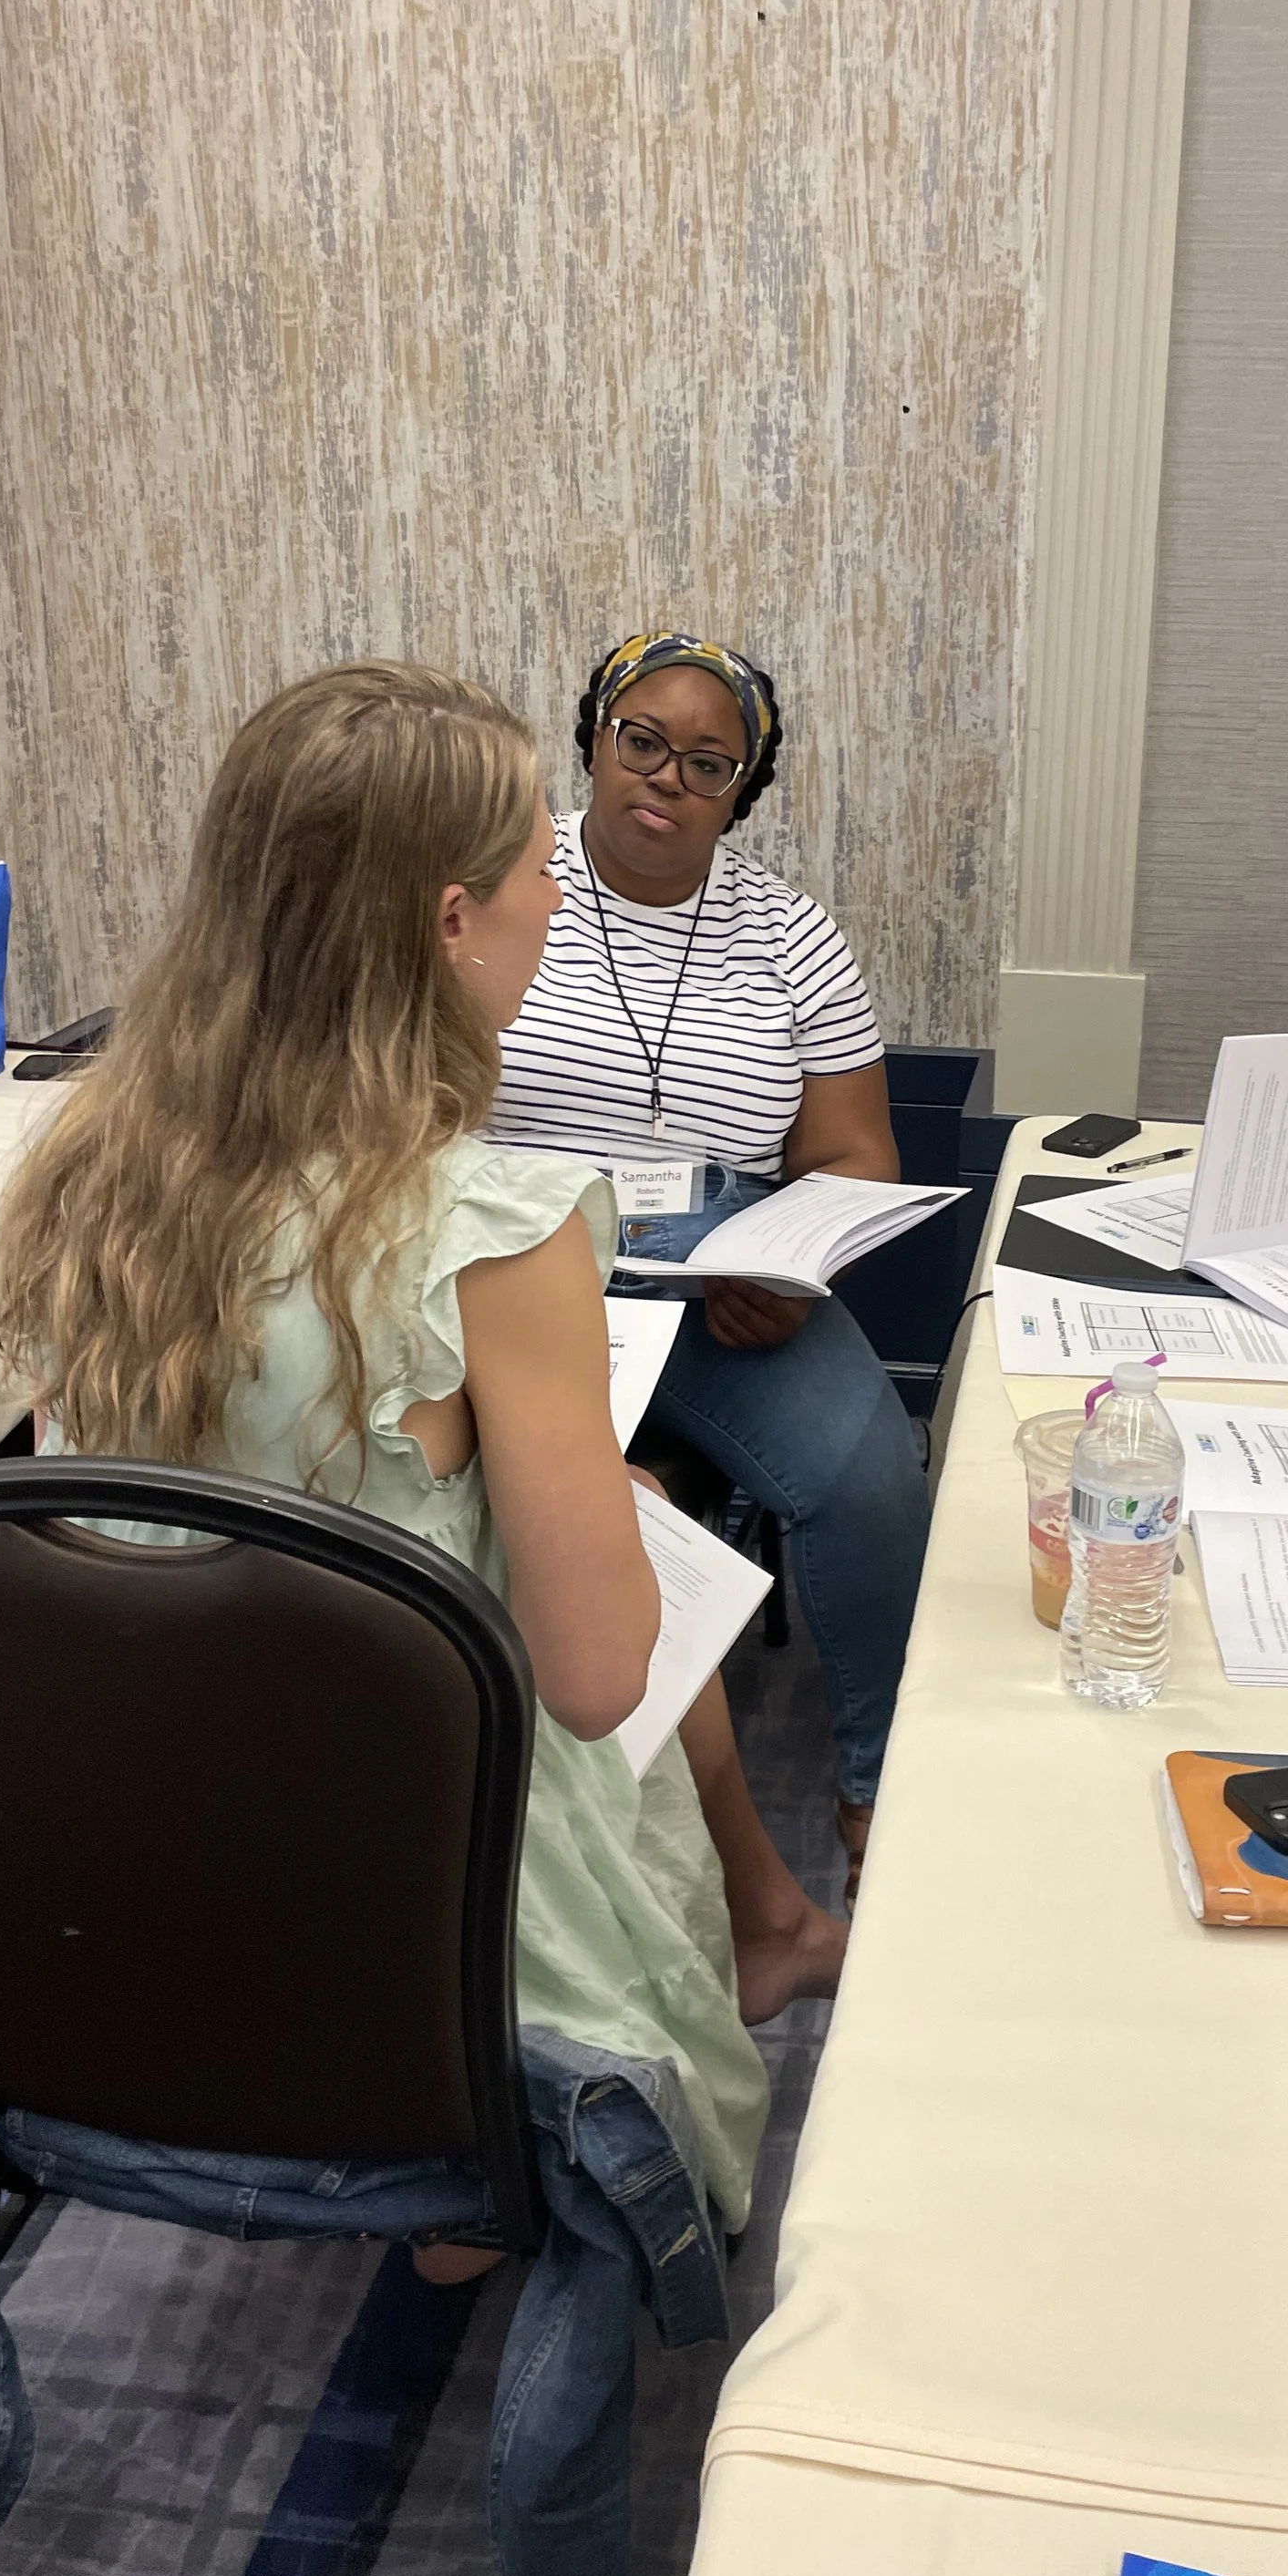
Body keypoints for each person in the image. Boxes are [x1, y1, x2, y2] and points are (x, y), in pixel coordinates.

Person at [0, 665, 841, 2576]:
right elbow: (600, 1667)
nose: (564, 894)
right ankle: (584, 2110)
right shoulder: (496, 1227)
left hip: (119, 1879)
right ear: (448, 925)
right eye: (539, 866)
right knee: (636, 1599)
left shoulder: (93, 1177)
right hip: (427, 1901)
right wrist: (586, 1494)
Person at [489, 630, 929, 1900]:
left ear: (741, 790)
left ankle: (874, 1780)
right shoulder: (508, 884)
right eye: (642, 740)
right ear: (591, 737)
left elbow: (856, 1155)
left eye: (708, 761)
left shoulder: (791, 935)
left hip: (721, 1266)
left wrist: (782, 1265)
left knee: (871, 1469)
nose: (667, 777)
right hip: (511, 1247)